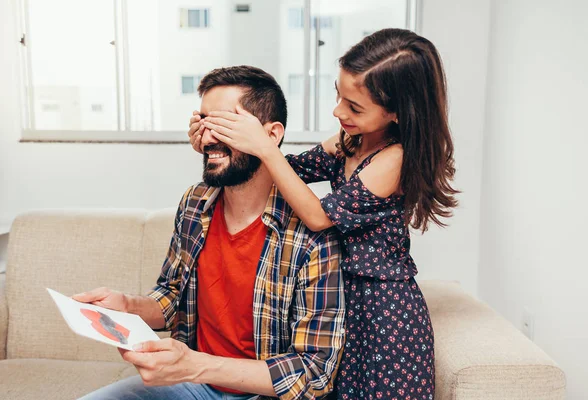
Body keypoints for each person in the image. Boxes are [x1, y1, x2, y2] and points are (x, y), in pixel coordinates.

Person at [189, 28, 459, 400]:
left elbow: (318, 216)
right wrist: (220, 143)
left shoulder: (393, 159)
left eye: (354, 107)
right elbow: (291, 170)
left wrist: (264, 149)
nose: (338, 111)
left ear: (398, 112)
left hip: (382, 311)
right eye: (339, 95)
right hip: (340, 295)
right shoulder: (352, 140)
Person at [76, 65, 346, 400]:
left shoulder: (312, 234)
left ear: (271, 135)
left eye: (225, 124)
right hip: (194, 384)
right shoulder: (195, 203)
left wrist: (195, 365)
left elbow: (315, 371)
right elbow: (174, 296)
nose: (206, 138)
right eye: (203, 122)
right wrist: (127, 306)